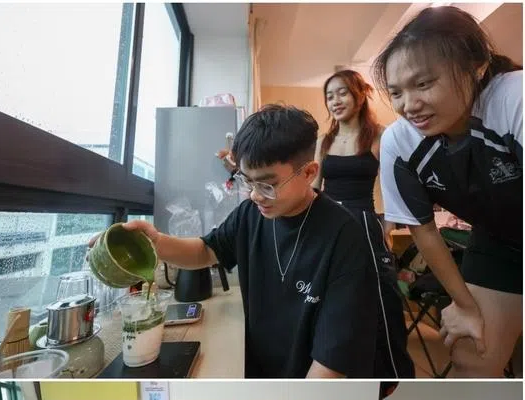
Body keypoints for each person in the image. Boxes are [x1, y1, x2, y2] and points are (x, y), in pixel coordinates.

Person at [118, 104, 380, 378]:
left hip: (308, 385)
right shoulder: (250, 214)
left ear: (308, 173)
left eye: (267, 184)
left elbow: (332, 363)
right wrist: (156, 242)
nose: (255, 195)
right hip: (260, 370)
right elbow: (206, 251)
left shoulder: (345, 237)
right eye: (248, 182)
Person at [375, 5, 523, 377]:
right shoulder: (399, 142)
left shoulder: (514, 97)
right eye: (396, 92)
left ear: (476, 67)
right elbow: (423, 229)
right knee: (473, 353)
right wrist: (466, 304)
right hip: (501, 239)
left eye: (423, 84)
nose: (409, 105)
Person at [313, 69, 415, 379]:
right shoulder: (324, 139)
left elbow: (393, 186)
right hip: (328, 225)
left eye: (342, 93)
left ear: (359, 95)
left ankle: (388, 371)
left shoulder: (380, 135)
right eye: (329, 96)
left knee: (382, 293)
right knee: (330, 294)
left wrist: (387, 227)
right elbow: (314, 189)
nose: (335, 101)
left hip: (363, 222)